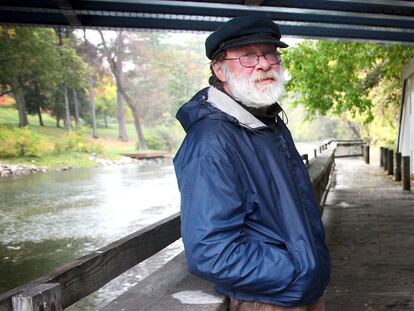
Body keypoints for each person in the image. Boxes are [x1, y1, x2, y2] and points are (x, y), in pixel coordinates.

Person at [173, 16, 330, 311]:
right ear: (219, 69)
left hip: (303, 292)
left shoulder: (269, 124)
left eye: (271, 53)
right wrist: (298, 268)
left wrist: (308, 269)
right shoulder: (211, 143)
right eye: (247, 56)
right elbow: (210, 251)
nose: (263, 64)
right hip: (268, 300)